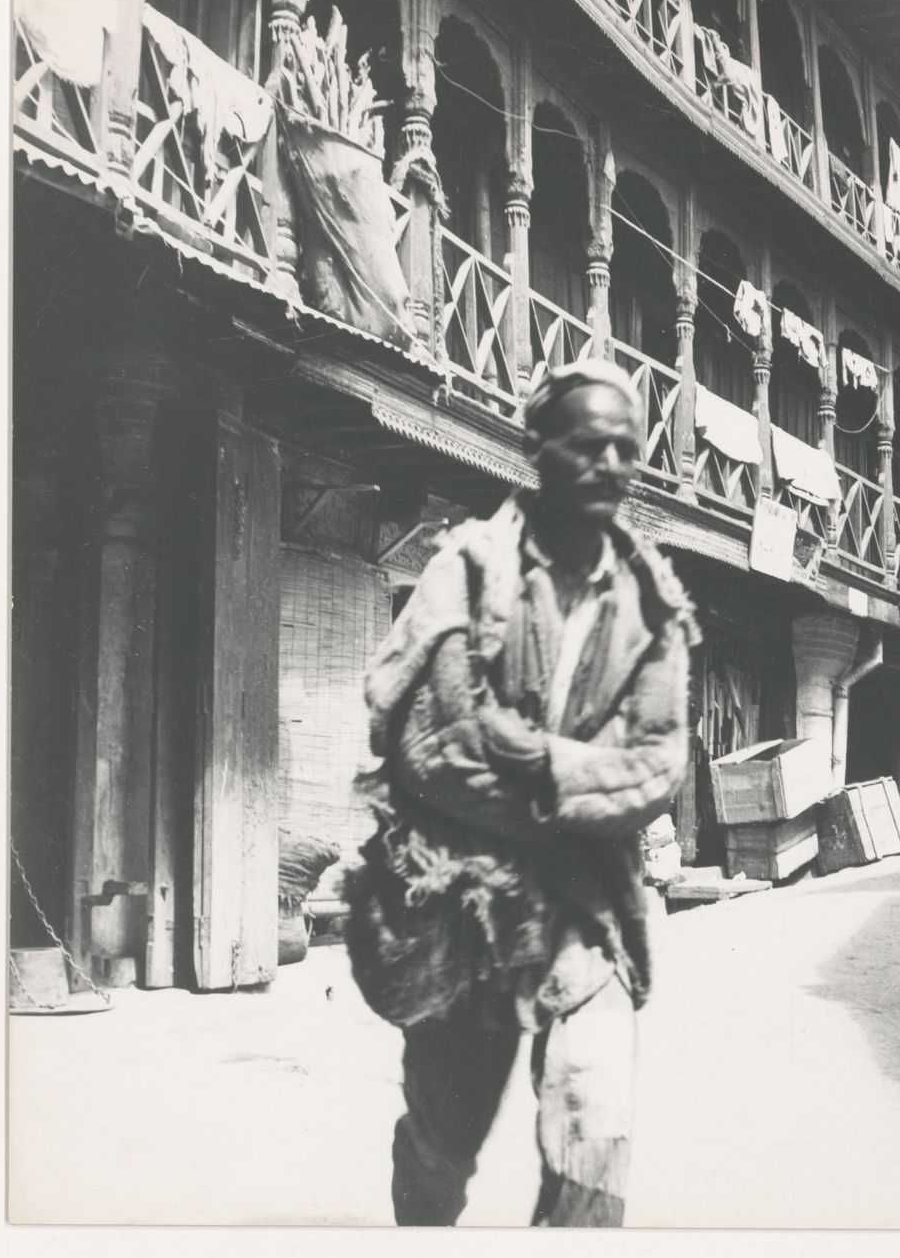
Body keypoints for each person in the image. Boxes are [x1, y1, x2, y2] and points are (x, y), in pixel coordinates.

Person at [343, 359, 699, 1227]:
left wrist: (531, 763)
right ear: (538, 448)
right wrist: (582, 783)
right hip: (463, 896)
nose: (610, 463)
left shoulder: (654, 605)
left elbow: (656, 763)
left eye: (626, 447)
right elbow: (435, 740)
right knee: (444, 1140)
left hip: (588, 903)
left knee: (595, 1115)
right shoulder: (469, 568)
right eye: (587, 445)